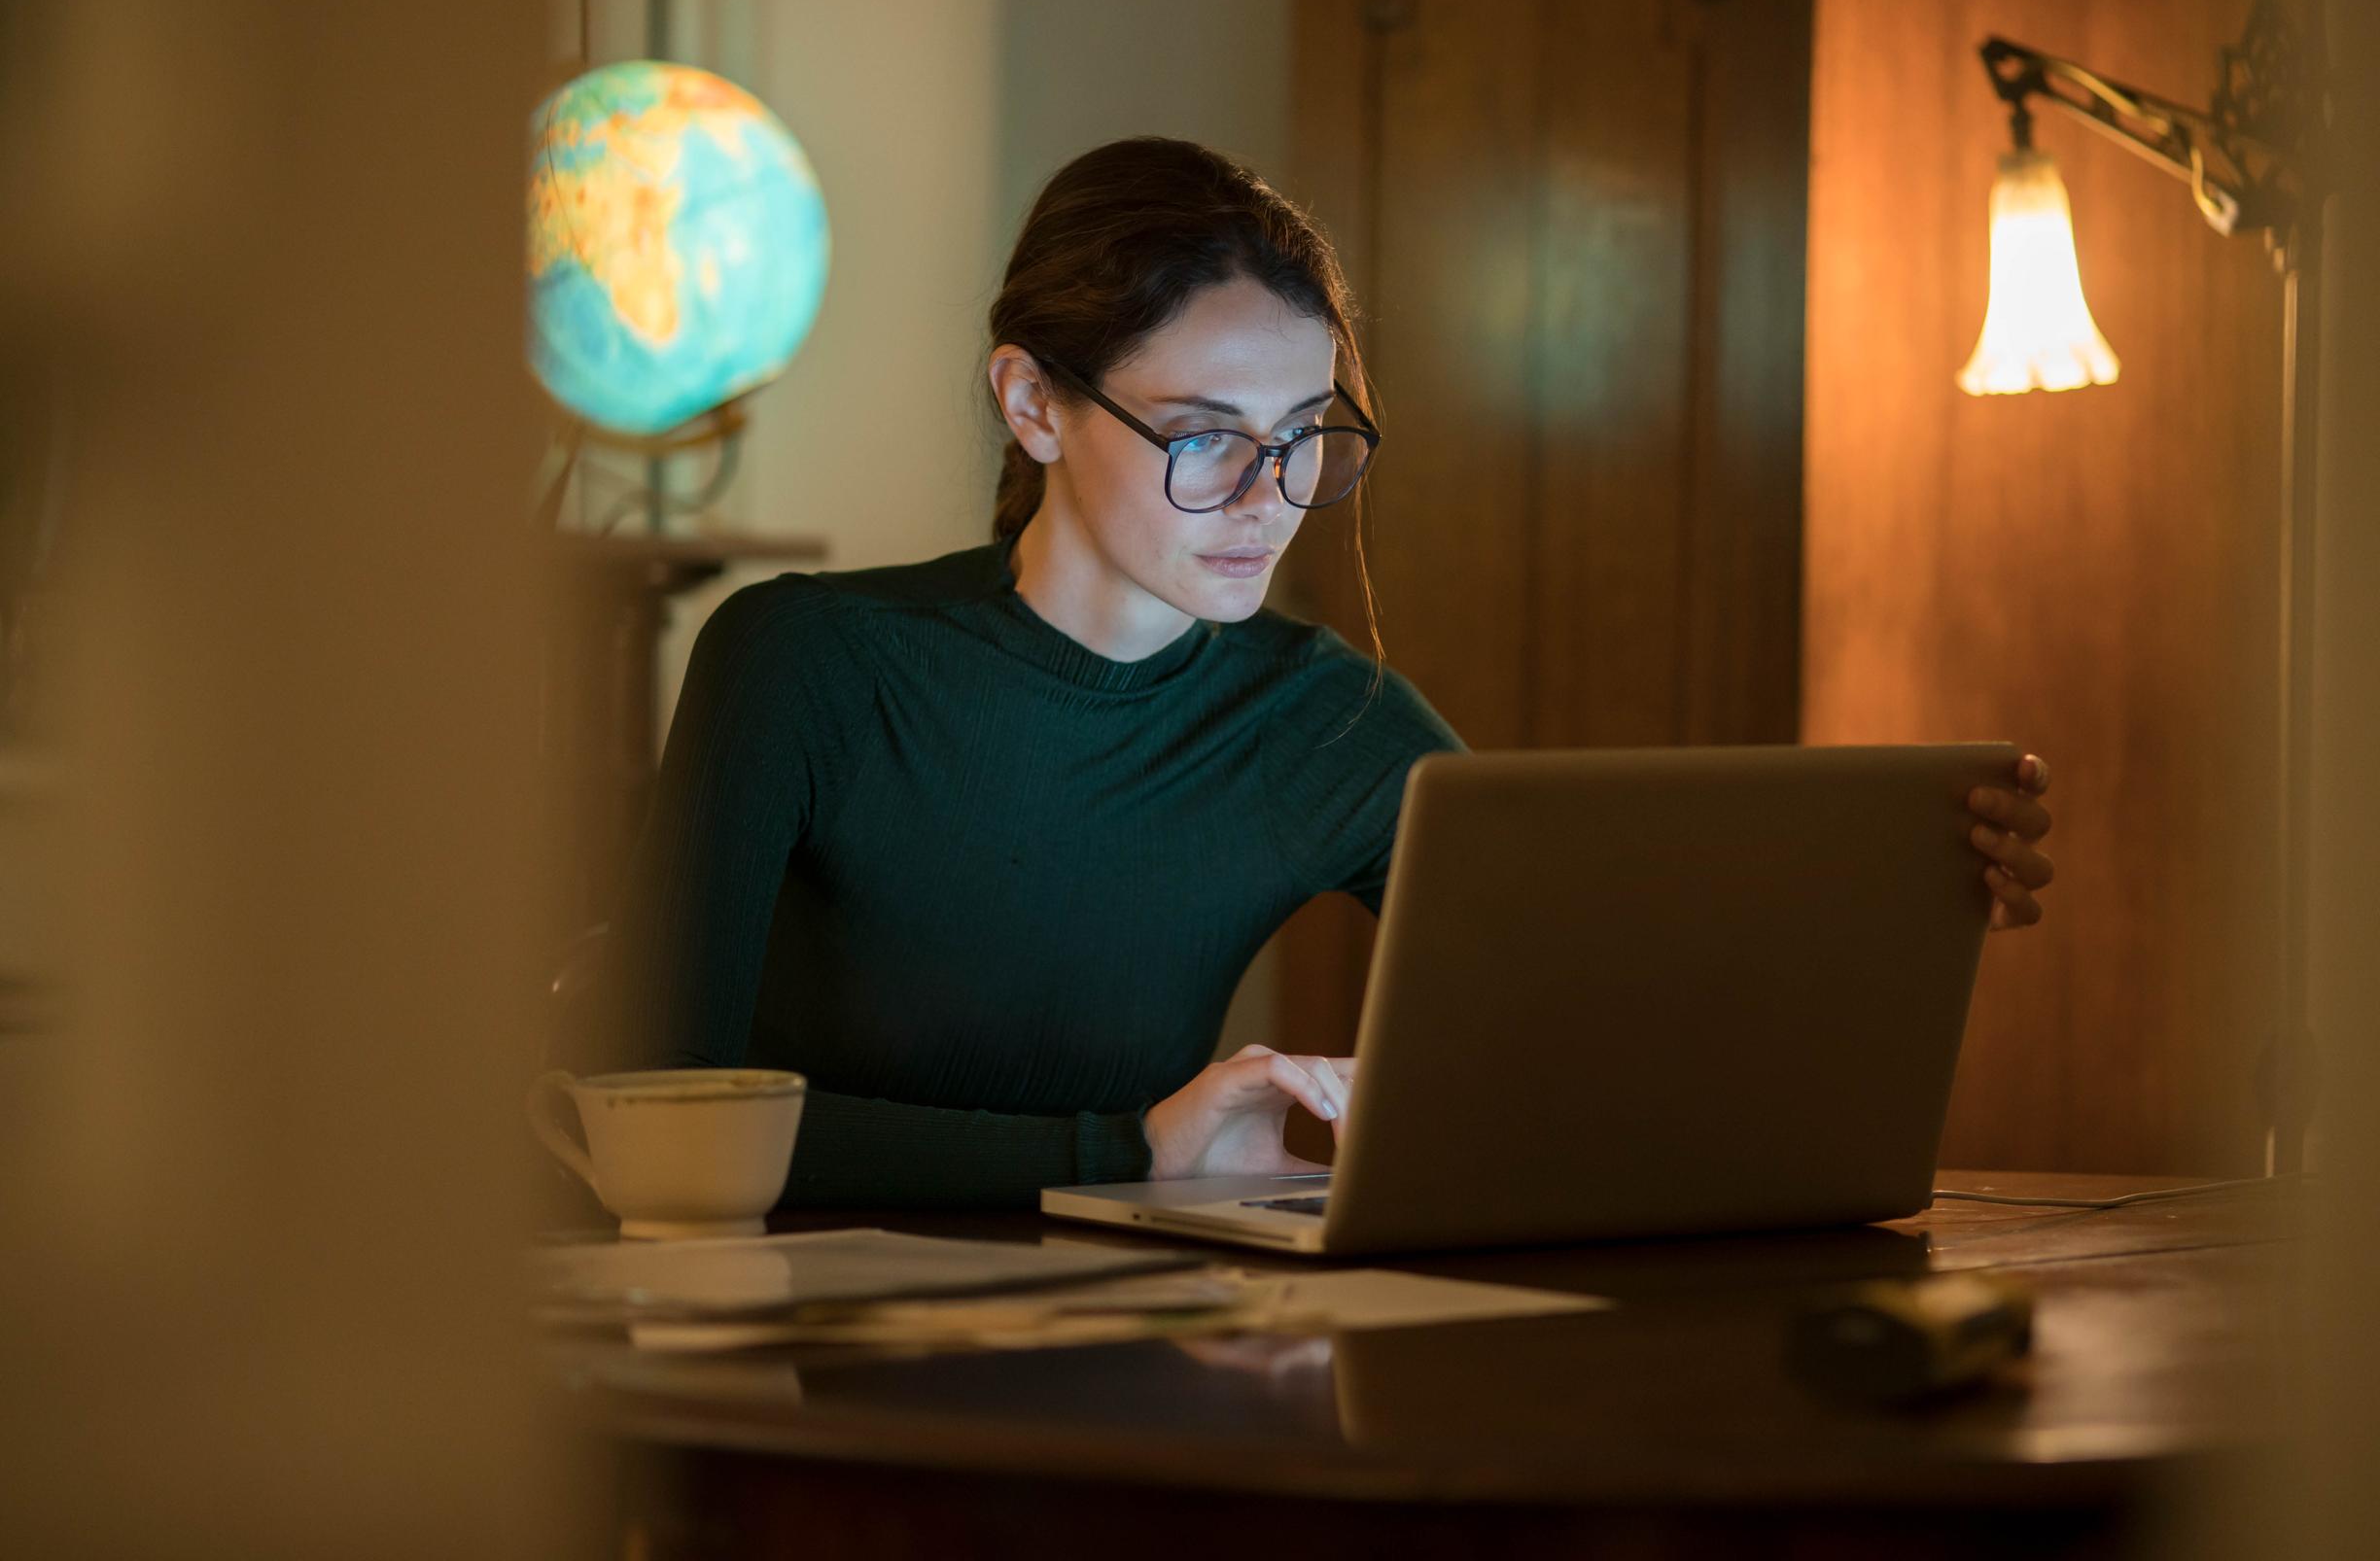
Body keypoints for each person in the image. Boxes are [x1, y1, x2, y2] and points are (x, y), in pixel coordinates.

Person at [601, 136, 2055, 1210]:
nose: (1269, 493)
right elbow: (644, 1128)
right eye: (1205, 434)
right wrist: (1124, 1152)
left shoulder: (1322, 722)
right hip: (782, 1364)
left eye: (1306, 432)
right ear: (1033, 402)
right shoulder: (807, 664)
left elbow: (1623, 991)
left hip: (1137, 1358)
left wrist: (1901, 889)